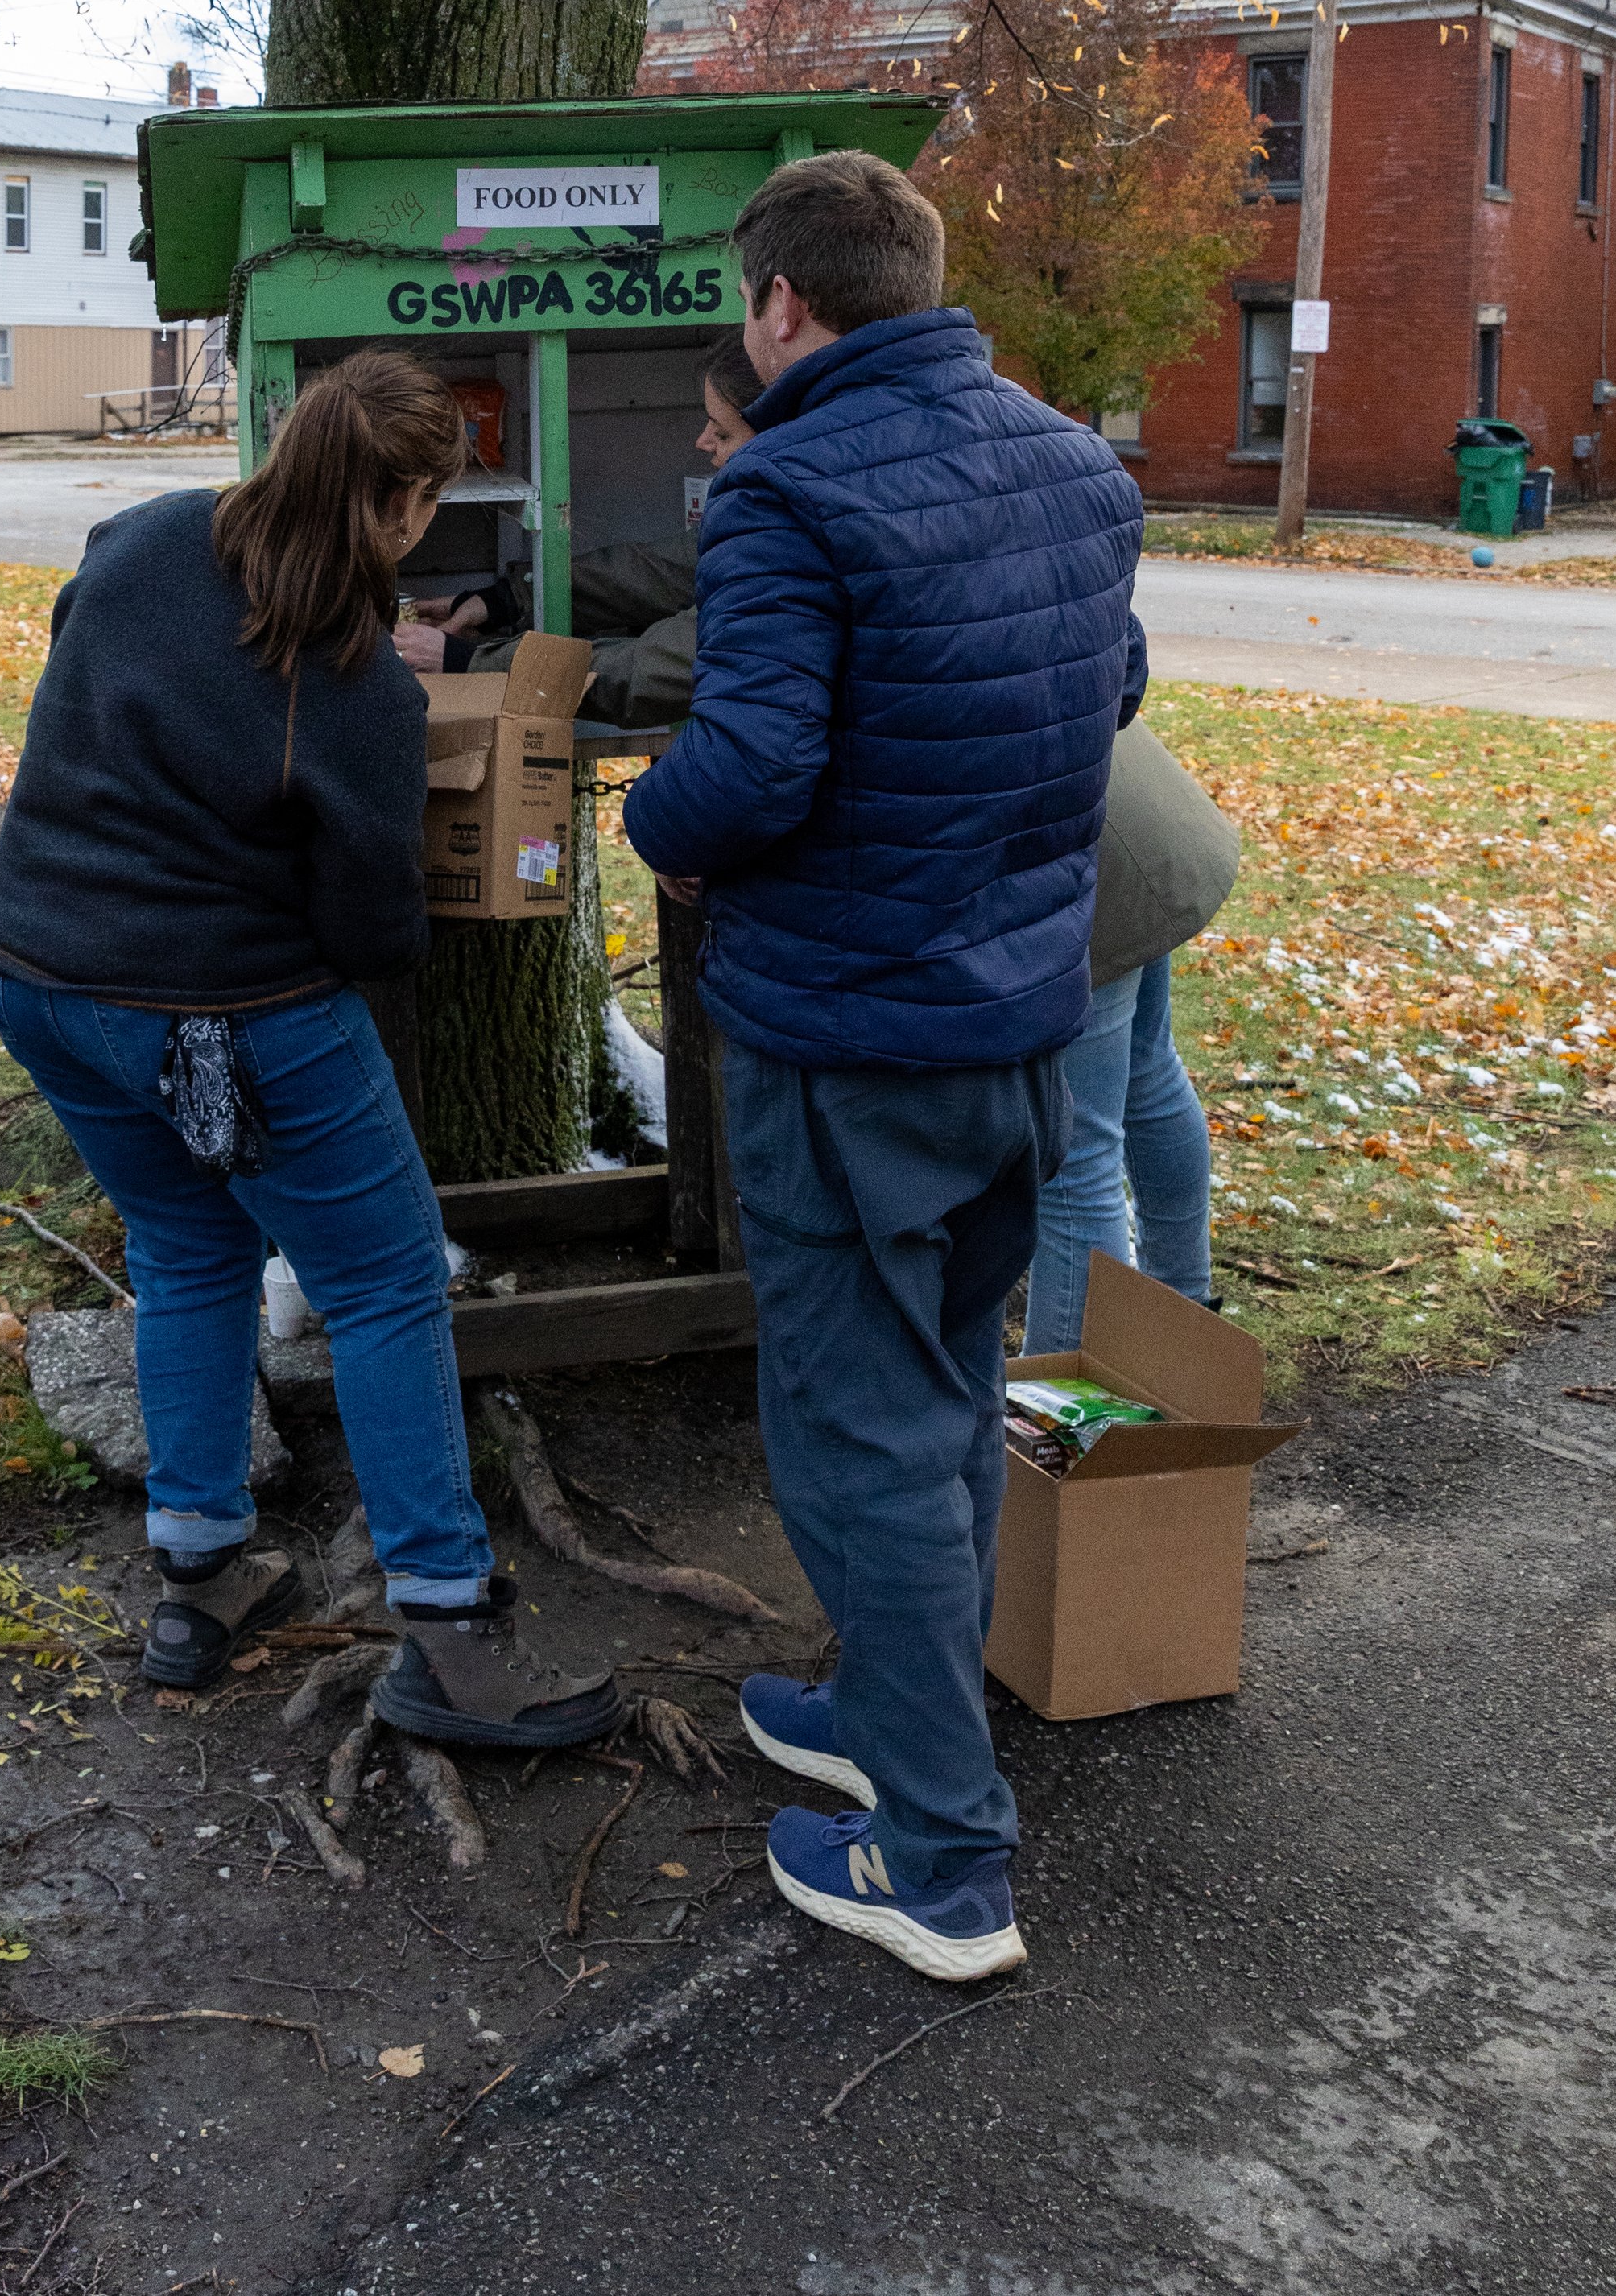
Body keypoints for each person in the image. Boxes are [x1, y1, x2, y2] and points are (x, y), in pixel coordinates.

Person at [622, 151, 1145, 1984]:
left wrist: (654, 824)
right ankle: (882, 1707)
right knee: (947, 1395)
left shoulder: (785, 483)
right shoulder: (1073, 463)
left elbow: (750, 765)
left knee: (866, 1433)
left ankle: (940, 1861)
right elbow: (1110, 687)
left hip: (846, 1038)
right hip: (1015, 1027)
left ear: (780, 303)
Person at [0, 345, 618, 1750]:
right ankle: (450, 1630)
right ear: (406, 503)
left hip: (40, 978)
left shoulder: (141, 540)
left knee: (185, 1249)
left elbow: (112, 665)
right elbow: (375, 932)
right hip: (229, 1011)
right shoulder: (357, 689)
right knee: (384, 1283)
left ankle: (200, 1574)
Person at [391, 328, 763, 726]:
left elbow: (651, 671)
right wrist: (504, 602)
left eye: (722, 432)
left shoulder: (785, 542)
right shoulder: (764, 513)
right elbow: (654, 573)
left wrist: (471, 663)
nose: (702, 442)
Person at [1025, 723, 1240, 1353]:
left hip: (1078, 851)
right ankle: (1183, 1327)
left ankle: (1073, 1395)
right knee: (1147, 1073)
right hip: (1127, 818)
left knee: (1073, 1147)